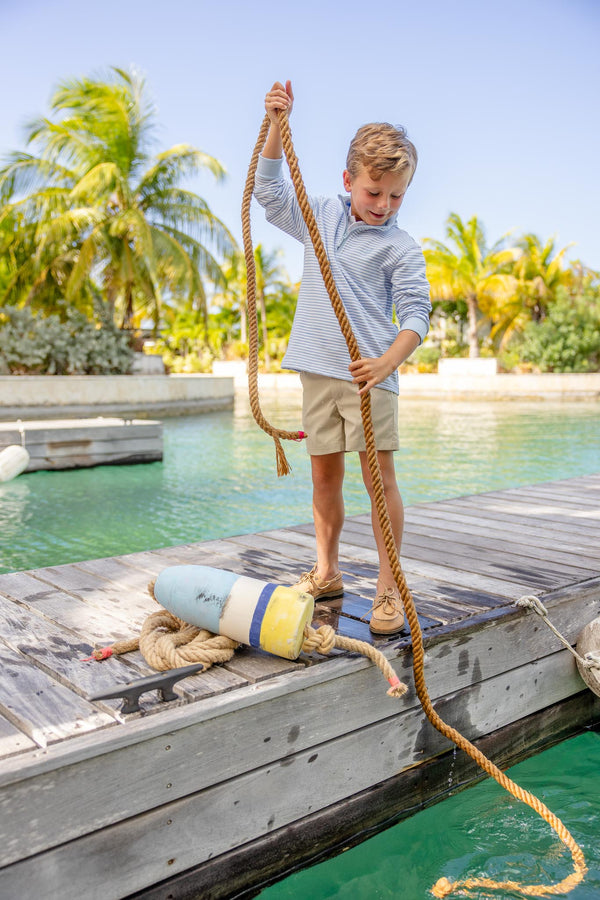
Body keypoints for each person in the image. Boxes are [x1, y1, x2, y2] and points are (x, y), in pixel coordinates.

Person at [254, 80, 431, 634]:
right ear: (349, 180)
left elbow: (416, 316)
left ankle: (387, 587)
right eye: (374, 193)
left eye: (396, 196)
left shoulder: (401, 247)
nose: (384, 206)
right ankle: (327, 571)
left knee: (379, 481)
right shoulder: (322, 215)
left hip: (369, 379)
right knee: (323, 480)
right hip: (316, 370)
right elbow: (269, 192)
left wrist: (386, 364)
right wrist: (277, 130)